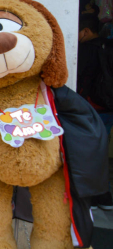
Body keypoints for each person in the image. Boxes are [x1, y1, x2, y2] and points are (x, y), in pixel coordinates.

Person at [78, 14, 113, 211]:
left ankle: (90, 197)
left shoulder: (86, 49)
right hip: (108, 107)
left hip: (90, 108)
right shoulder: (109, 46)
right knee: (101, 151)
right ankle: (105, 196)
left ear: (86, 31)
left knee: (86, 152)